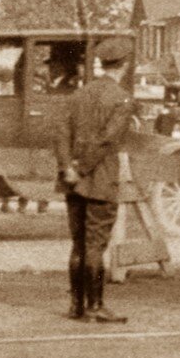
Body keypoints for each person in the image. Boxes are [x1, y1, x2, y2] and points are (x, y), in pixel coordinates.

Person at [53, 38, 138, 324]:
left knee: (78, 244)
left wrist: (68, 168)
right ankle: (95, 307)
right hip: (99, 180)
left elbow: (61, 134)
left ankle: (76, 306)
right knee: (95, 245)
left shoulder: (78, 95)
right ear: (124, 66)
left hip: (72, 182)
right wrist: (83, 168)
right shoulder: (122, 99)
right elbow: (106, 141)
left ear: (102, 64)